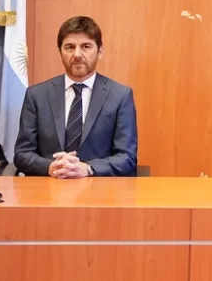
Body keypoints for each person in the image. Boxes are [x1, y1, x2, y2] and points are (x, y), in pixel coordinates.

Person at [15, 16, 138, 178]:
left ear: (100, 51)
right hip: (49, 186)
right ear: (60, 52)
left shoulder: (120, 96)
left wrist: (88, 168)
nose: (77, 54)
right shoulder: (37, 95)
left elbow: (127, 157)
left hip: (99, 188)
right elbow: (22, 154)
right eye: (70, 47)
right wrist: (51, 167)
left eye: (86, 46)